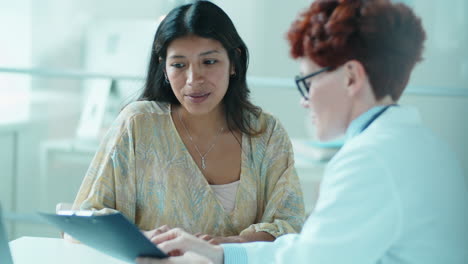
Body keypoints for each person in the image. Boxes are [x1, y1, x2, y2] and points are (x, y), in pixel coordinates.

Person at [136, 0, 468, 263]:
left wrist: (219, 256)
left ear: (351, 77)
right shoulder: (423, 145)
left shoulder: (370, 160)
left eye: (307, 81)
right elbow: (319, 249)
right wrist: (222, 252)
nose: (304, 101)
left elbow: (311, 259)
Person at [72, 0, 305, 244]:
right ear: (164, 69)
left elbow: (290, 225)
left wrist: (222, 247)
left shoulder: (266, 133)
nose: (193, 79)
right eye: (179, 65)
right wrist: (147, 239)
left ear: (234, 62)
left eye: (209, 62)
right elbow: (83, 222)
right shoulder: (138, 125)